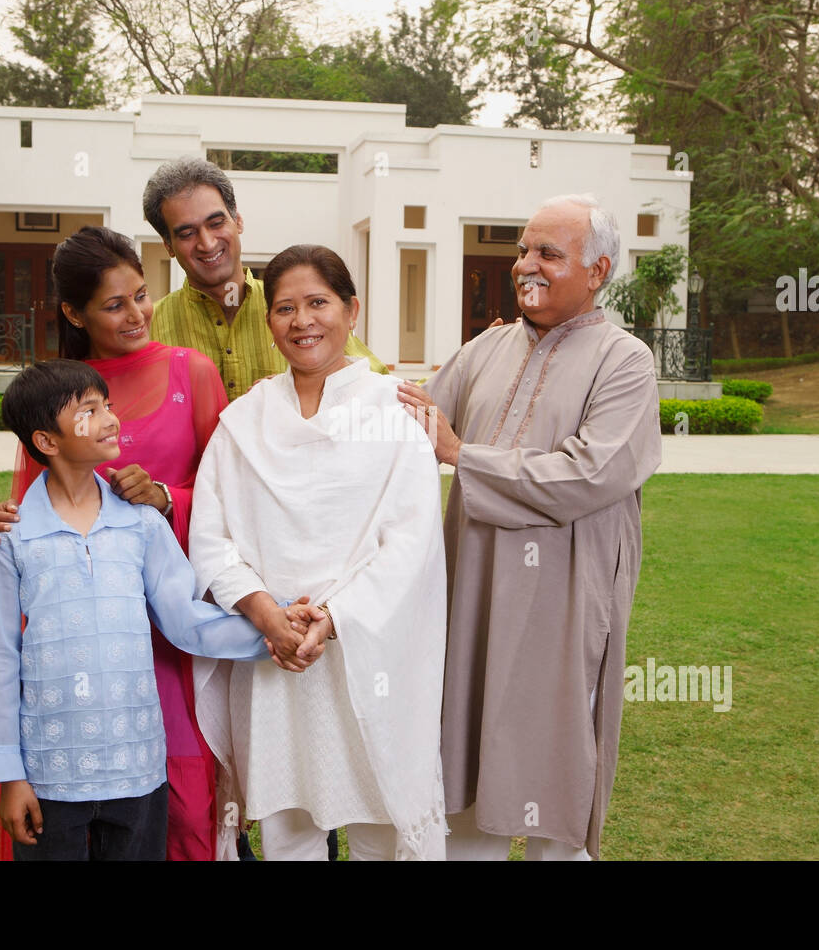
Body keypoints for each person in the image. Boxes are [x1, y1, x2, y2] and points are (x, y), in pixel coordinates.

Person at [397, 193, 662, 860]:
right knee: (466, 735)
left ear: (598, 270)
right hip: (476, 583)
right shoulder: (487, 346)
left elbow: (589, 475)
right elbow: (412, 420)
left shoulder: (624, 360)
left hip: (567, 590)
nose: (525, 266)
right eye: (522, 250)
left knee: (557, 739)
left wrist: (462, 456)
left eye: (548, 252)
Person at [0, 226, 233, 861]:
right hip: (71, 647)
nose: (138, 314)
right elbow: (35, 510)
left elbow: (232, 495)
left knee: (176, 806)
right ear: (74, 313)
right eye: (115, 305)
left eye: (142, 295)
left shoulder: (190, 372)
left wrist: (167, 500)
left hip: (171, 630)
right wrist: (0, 528)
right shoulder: (56, 392)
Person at [188, 244, 448, 860]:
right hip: (272, 652)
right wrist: (266, 615)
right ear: (267, 321)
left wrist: (334, 619)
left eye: (317, 303)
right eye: (284, 308)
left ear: (351, 310)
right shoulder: (242, 421)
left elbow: (411, 540)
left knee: (383, 820)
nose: (301, 320)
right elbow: (211, 536)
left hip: (371, 649)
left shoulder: (393, 410)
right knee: (287, 823)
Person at [0, 358, 273, 860]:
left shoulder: (142, 526)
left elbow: (188, 623)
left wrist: (271, 628)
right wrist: (10, 776)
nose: (111, 418)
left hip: (137, 767)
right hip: (50, 774)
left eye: (108, 405)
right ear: (47, 442)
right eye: (91, 410)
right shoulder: (11, 541)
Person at [142, 157, 388, 401]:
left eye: (216, 223)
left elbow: (378, 386)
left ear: (238, 221)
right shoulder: (148, 329)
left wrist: (298, 389)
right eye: (187, 233)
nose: (207, 243)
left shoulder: (298, 312)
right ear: (168, 246)